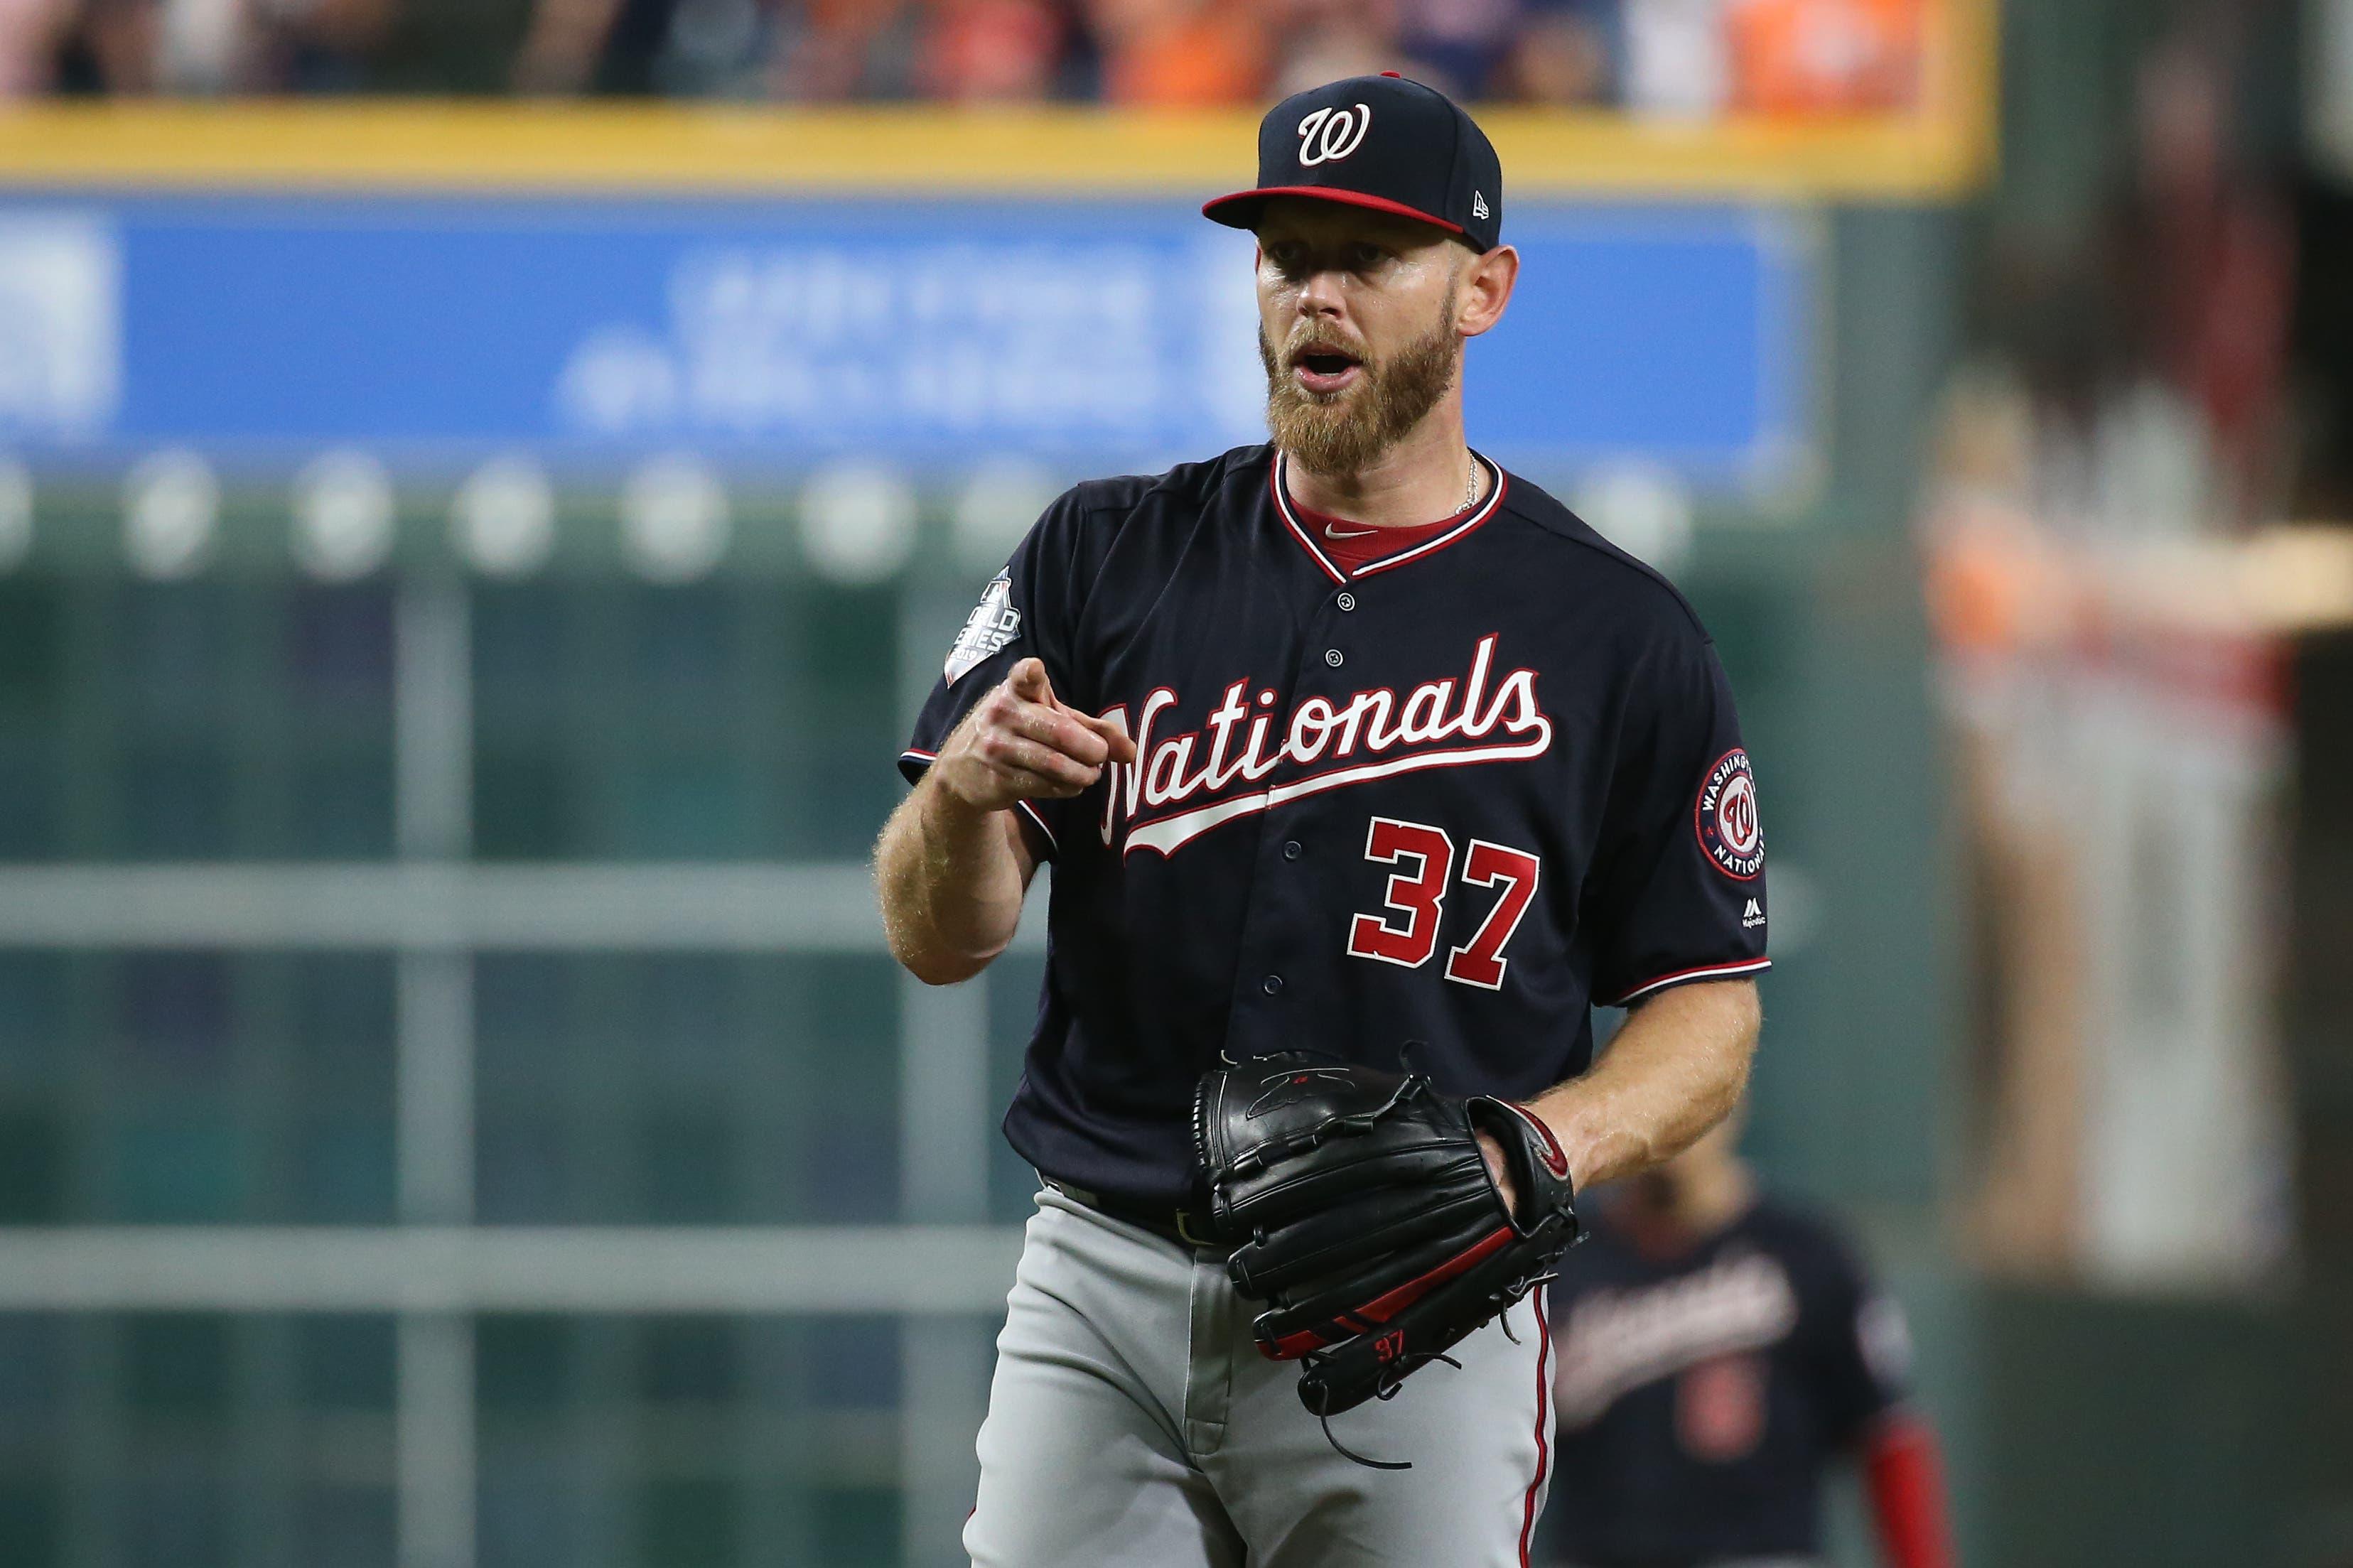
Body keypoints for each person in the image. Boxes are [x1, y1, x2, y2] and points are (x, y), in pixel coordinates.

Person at [874, 70, 1770, 1568]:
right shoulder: (1105, 553)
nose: (1316, 295)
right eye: (1286, 254)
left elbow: (1707, 1011)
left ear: (1480, 287)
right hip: (1106, 1269)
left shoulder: (1615, 630)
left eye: (1366, 256)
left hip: (1421, 1294)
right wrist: (958, 802)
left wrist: (1532, 1150)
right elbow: (935, 937)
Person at [1539, 1108, 1957, 1568]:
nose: (1667, 1129)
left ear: (1728, 1104)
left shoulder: (1804, 1252)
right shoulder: (1565, 1259)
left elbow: (1887, 1434)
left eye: (1686, 1105)